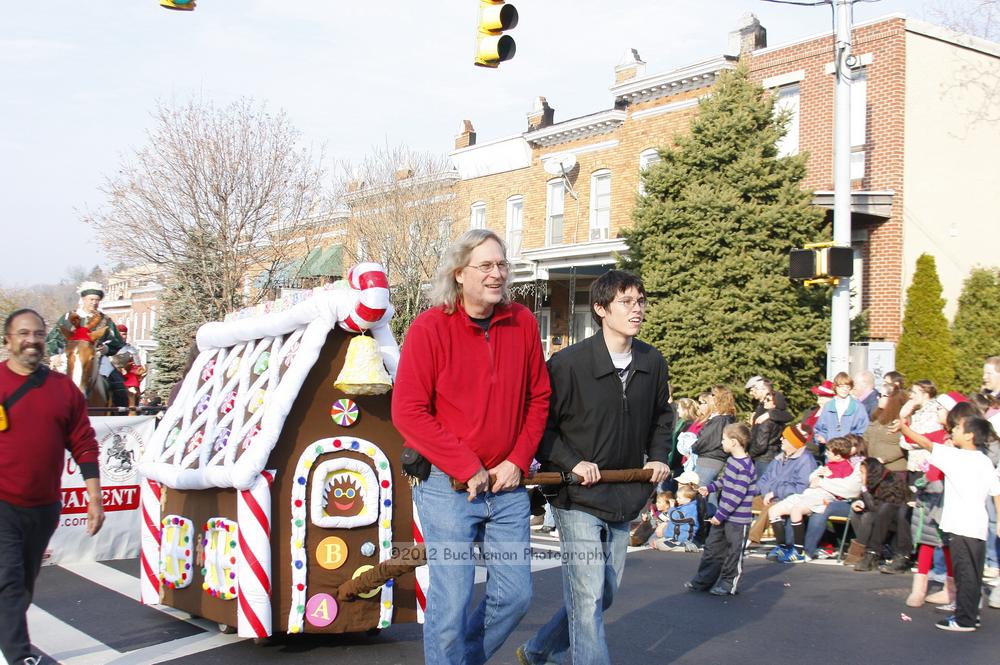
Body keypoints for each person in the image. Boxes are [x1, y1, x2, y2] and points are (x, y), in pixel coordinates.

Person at [391, 229, 551, 665]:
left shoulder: (522, 322)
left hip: (507, 484)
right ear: (460, 274)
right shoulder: (430, 327)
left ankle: (461, 660)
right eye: (486, 265)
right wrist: (465, 465)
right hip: (447, 485)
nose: (497, 273)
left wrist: (517, 460)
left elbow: (539, 398)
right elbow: (408, 412)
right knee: (453, 599)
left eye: (502, 265)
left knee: (516, 595)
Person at [518, 269, 672, 665]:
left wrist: (658, 456)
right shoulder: (568, 364)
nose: (636, 309)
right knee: (586, 595)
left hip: (625, 491)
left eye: (640, 301)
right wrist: (573, 462)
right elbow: (542, 427)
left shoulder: (652, 361)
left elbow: (661, 417)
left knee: (603, 594)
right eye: (626, 302)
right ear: (601, 309)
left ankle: (538, 651)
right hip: (577, 497)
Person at [1, 309, 105, 665]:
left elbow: (84, 443)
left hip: (44, 506)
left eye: (38, 334)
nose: (31, 340)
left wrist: (95, 497)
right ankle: (19, 658)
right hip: (1, 502)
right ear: (8, 340)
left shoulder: (63, 389)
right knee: (10, 580)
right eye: (23, 333)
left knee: (23, 583)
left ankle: (7, 628)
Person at [896, 415, 1000, 632]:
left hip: (961, 525)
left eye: (959, 428)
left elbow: (925, 443)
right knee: (973, 573)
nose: (954, 430)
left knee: (965, 574)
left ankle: (964, 620)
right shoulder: (984, 460)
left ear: (970, 435)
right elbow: (997, 492)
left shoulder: (956, 457)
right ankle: (971, 615)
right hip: (977, 526)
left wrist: (904, 428)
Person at [685, 422, 756, 595]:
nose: (721, 443)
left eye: (723, 439)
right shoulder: (732, 461)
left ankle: (728, 583)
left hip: (737, 519)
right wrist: (710, 487)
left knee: (733, 553)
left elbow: (736, 495)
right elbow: (726, 481)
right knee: (712, 548)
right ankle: (703, 580)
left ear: (734, 442)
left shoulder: (746, 467)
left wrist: (721, 514)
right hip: (723, 515)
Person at [767, 436, 861, 563]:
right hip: (809, 492)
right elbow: (812, 480)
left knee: (796, 511)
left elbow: (842, 488)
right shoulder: (829, 464)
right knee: (774, 510)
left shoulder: (847, 468)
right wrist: (817, 476)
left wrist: (825, 479)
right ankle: (782, 546)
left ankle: (799, 551)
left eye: (829, 451)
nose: (826, 453)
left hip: (824, 496)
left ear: (838, 456)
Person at [46, 281, 127, 408]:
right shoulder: (69, 317)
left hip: (97, 359)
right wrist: (54, 355)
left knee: (120, 385)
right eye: (91, 299)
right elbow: (53, 337)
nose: (94, 302)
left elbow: (116, 341)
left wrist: (107, 348)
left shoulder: (105, 320)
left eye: (97, 300)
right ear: (83, 299)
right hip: (70, 357)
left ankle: (121, 417)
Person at [750, 423, 817, 554]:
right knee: (742, 502)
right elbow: (764, 479)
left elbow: (801, 488)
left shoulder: (806, 460)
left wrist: (775, 493)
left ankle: (751, 539)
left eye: (784, 437)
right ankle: (729, 536)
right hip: (767, 496)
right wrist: (749, 492)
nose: (781, 439)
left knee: (771, 508)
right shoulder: (779, 457)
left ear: (793, 442)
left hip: (787, 499)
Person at [691, 385, 738, 492]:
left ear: (719, 398)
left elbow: (707, 440)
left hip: (710, 460)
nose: (710, 397)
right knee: (709, 494)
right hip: (711, 459)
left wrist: (693, 446)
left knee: (698, 493)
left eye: (713, 394)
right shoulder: (722, 418)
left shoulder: (720, 420)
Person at [813, 372, 870, 447]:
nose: (845, 389)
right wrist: (821, 437)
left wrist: (853, 445)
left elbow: (863, 430)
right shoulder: (828, 406)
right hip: (831, 451)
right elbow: (820, 428)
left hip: (850, 451)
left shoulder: (858, 407)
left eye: (847, 387)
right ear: (835, 387)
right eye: (841, 386)